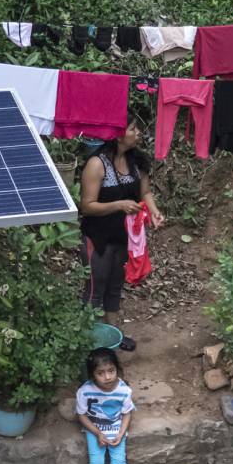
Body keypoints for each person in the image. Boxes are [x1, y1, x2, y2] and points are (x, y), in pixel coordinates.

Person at [79, 122, 164, 350]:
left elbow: (145, 192)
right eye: (132, 129)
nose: (138, 133)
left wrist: (154, 212)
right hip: (97, 238)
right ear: (117, 135)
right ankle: (87, 341)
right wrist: (119, 205)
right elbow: (87, 207)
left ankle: (113, 334)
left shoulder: (137, 162)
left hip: (124, 237)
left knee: (115, 286)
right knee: (95, 289)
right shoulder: (97, 164)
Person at [76, 348, 134, 464]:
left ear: (117, 370)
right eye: (101, 373)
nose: (107, 377)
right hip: (95, 431)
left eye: (111, 371)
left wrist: (120, 433)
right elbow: (82, 415)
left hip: (116, 430)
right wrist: (97, 433)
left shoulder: (124, 390)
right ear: (92, 376)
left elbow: (127, 414)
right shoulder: (85, 391)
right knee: (96, 463)